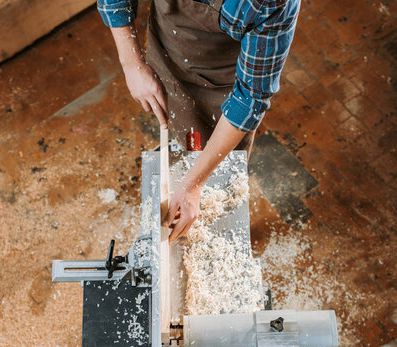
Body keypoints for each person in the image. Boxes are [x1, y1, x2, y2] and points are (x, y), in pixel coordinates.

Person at [98, 0, 300, 242]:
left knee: (219, 179)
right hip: (167, 44)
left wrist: (194, 184)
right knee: (185, 135)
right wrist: (131, 63)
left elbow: (249, 100)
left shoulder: (267, 3)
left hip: (222, 79)